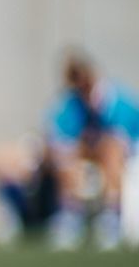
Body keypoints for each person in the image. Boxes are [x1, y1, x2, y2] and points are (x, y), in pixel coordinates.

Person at [44, 48, 138, 250]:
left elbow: (122, 140)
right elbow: (58, 136)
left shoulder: (117, 100)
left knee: (111, 148)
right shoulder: (73, 103)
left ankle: (112, 214)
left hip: (128, 159)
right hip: (91, 156)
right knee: (65, 155)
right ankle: (70, 213)